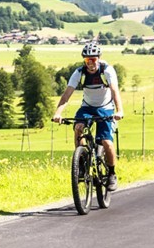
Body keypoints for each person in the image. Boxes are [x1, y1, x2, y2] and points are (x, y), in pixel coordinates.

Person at [52, 42, 124, 191]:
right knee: (78, 128)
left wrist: (119, 111)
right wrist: (57, 113)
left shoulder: (107, 71)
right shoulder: (79, 73)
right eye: (87, 60)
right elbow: (66, 96)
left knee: (106, 142)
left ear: (99, 58)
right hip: (87, 107)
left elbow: (115, 91)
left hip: (106, 108)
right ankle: (82, 160)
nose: (90, 63)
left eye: (93, 59)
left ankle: (111, 173)